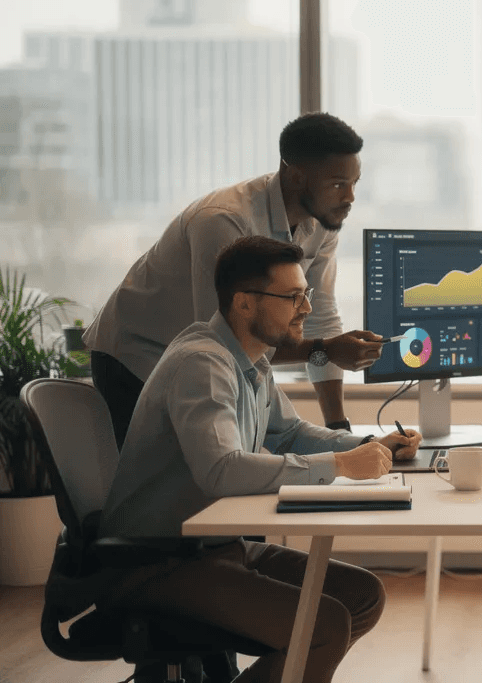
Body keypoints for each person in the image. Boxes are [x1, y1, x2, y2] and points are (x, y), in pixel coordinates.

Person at [98, 236, 422, 683]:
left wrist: (372, 443)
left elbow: (290, 432)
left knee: (362, 594)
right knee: (325, 626)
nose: (306, 308)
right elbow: (221, 470)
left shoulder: (252, 363)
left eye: (305, 294)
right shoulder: (202, 364)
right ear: (245, 304)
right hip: (155, 562)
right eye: (293, 297)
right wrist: (341, 467)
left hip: (217, 549)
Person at [85, 112, 384, 447]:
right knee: (174, 483)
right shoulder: (225, 221)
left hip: (199, 353)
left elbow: (321, 319)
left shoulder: (321, 224)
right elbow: (225, 338)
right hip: (136, 353)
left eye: (354, 183)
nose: (350, 198)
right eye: (337, 184)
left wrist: (338, 427)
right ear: (297, 176)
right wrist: (325, 350)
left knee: (229, 464)